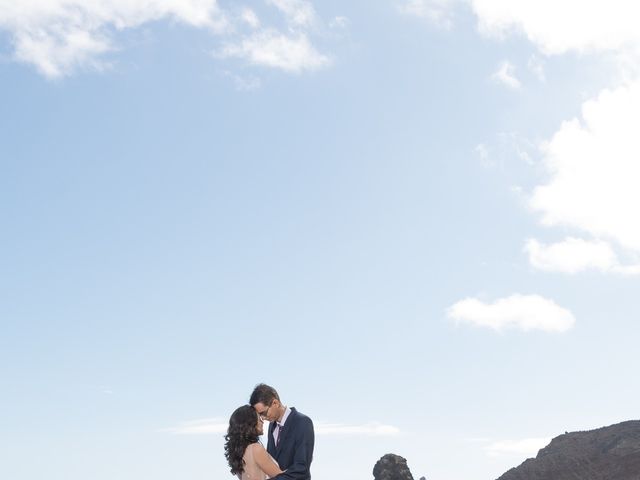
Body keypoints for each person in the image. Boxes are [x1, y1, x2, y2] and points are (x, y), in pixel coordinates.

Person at [249, 384, 314, 480]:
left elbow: (301, 468)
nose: (262, 418)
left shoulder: (302, 422)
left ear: (275, 403)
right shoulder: (271, 426)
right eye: (259, 415)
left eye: (264, 413)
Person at [225, 405, 284, 480]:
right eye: (259, 418)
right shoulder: (255, 449)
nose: (262, 421)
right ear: (250, 423)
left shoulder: (239, 455)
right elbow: (283, 478)